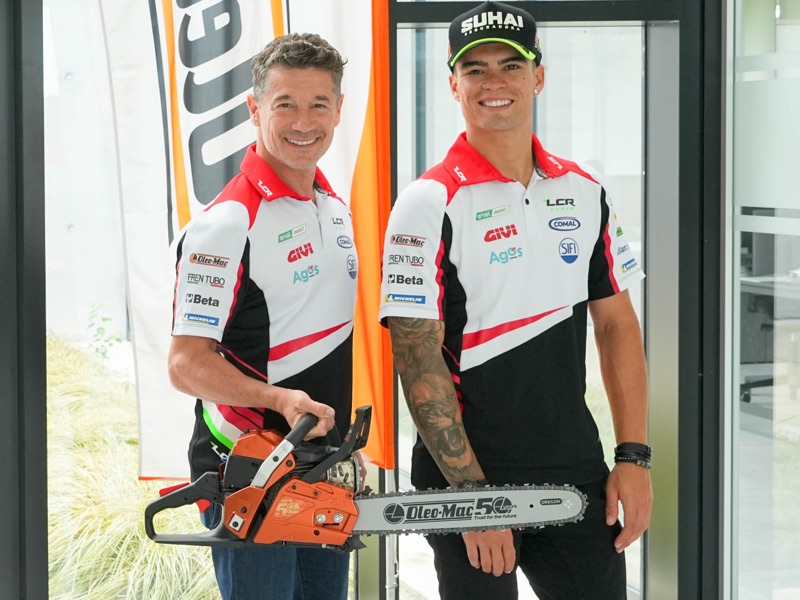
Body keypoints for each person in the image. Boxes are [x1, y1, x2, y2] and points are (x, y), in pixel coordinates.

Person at [379, 2, 653, 598]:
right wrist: (472, 496)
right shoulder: (426, 202)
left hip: (574, 470)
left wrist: (633, 457)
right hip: (466, 478)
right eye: (474, 69)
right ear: (453, 85)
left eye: (510, 65)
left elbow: (616, 326)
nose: (493, 82)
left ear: (538, 76)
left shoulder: (585, 190)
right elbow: (416, 360)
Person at [168, 32, 358, 600]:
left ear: (339, 109)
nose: (303, 122)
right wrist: (277, 400)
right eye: (285, 104)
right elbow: (184, 365)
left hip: (318, 468)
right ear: (254, 109)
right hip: (247, 470)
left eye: (318, 104)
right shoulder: (227, 222)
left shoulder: (334, 206)